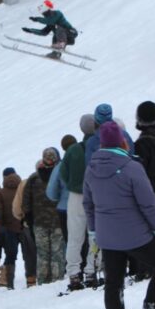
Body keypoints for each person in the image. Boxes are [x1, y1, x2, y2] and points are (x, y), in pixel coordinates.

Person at [83, 122, 155, 309]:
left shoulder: (91, 169)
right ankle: (151, 308)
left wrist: (93, 232)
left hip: (107, 236)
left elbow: (88, 204)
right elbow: (148, 202)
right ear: (122, 141)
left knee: (114, 281)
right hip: (135, 234)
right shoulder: (131, 167)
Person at [58, 114, 99, 290]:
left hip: (76, 195)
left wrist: (73, 185)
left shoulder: (73, 150)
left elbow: (63, 173)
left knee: (74, 237)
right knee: (95, 235)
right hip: (97, 195)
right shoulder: (100, 146)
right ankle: (91, 270)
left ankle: (74, 273)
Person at [22, 149, 66, 284]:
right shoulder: (61, 176)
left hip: (39, 223)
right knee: (57, 254)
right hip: (58, 222)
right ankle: (56, 280)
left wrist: (28, 219)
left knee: (42, 254)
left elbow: (26, 201)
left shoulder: (34, 178)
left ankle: (42, 281)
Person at [0, 168, 24, 289]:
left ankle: (8, 282)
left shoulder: (1, 193)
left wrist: (3, 223)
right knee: (29, 253)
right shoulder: (23, 189)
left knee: (10, 255)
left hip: (9, 229)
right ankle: (32, 279)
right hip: (24, 227)